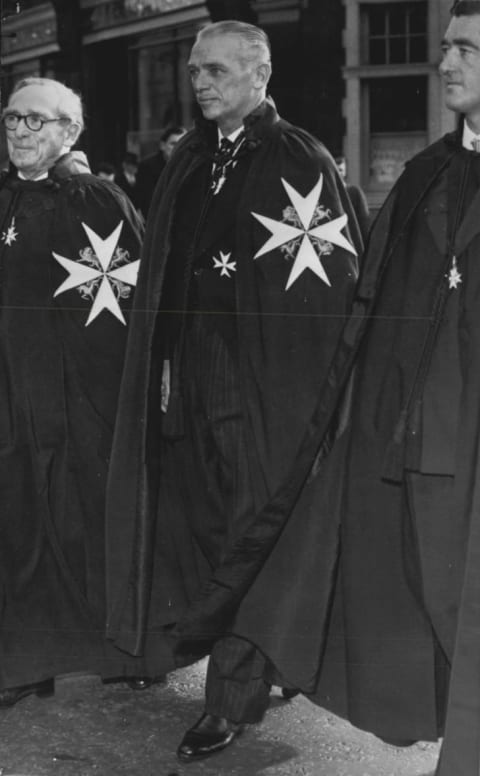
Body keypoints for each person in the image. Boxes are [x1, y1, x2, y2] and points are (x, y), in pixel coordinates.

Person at [105, 20, 362, 763]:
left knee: (253, 524)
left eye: (215, 70)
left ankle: (230, 700)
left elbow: (322, 293)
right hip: (192, 377)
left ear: (260, 73)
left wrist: (286, 391)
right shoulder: (191, 157)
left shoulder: (297, 158)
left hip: (260, 383)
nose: (201, 83)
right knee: (214, 527)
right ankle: (248, 650)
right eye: (193, 72)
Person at [307, 2, 480, 774]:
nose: (446, 64)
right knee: (431, 597)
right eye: (445, 48)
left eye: (468, 50)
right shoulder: (425, 174)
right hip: (423, 438)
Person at [0, 76, 162, 707]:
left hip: (83, 396)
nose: (19, 130)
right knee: (20, 516)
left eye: (36, 121)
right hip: (15, 391)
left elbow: (126, 301)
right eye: (12, 118)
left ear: (70, 131)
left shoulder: (99, 201)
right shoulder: (6, 197)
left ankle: (124, 651)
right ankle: (29, 659)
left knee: (88, 518)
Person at [136, 124, 186, 218]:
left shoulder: (191, 165)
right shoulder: (147, 167)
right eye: (174, 144)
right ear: (162, 145)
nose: (179, 148)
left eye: (183, 144)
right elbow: (147, 203)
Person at [334, 154, 370, 242]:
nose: (338, 173)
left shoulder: (354, 192)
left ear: (345, 172)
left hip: (352, 239)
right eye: (335, 170)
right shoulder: (327, 193)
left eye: (341, 170)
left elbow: (364, 219)